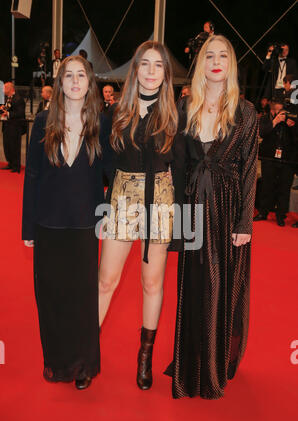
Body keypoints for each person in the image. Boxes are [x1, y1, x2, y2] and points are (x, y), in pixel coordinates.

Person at [165, 35, 259, 399]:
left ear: (231, 64)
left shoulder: (246, 111)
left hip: (226, 207)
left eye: (223, 56)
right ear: (201, 63)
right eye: (209, 56)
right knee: (191, 285)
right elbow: (177, 165)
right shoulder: (186, 105)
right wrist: (176, 221)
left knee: (220, 286)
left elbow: (250, 168)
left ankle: (213, 367)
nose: (216, 61)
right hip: (191, 205)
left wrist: (244, 223)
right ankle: (189, 363)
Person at [98, 41, 186, 391]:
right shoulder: (116, 112)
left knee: (151, 283)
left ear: (166, 74)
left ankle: (144, 357)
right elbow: (104, 163)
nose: (151, 71)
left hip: (161, 200)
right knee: (106, 280)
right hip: (121, 197)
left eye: (158, 65)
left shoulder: (177, 116)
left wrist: (181, 225)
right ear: (134, 71)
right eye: (144, 64)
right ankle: (88, 351)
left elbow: (180, 169)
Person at [22, 55, 112, 390]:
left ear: (90, 83)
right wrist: (28, 227)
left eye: (81, 76)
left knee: (82, 298)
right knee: (50, 296)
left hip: (85, 226)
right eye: (68, 76)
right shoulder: (44, 120)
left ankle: (84, 365)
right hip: (48, 224)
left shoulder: (101, 124)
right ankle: (57, 362)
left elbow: (113, 173)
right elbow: (32, 175)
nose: (75, 81)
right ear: (60, 84)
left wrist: (109, 215)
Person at [253, 99, 298, 226]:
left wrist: (293, 127)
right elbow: (261, 132)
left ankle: (281, 214)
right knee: (267, 186)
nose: (280, 114)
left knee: (284, 187)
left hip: (287, 160)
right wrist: (274, 122)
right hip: (269, 158)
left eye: (282, 111)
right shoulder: (265, 119)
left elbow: (296, 139)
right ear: (272, 110)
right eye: (277, 111)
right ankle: (263, 212)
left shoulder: (290, 120)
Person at [0, 82, 25, 173]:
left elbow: (20, 113)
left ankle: (16, 166)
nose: (3, 90)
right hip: (7, 126)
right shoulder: (7, 98)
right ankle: (10, 163)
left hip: (15, 126)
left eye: (5, 88)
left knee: (14, 146)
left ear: (10, 88)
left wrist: (8, 113)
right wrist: (2, 109)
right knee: (7, 146)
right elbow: (4, 110)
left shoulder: (18, 99)